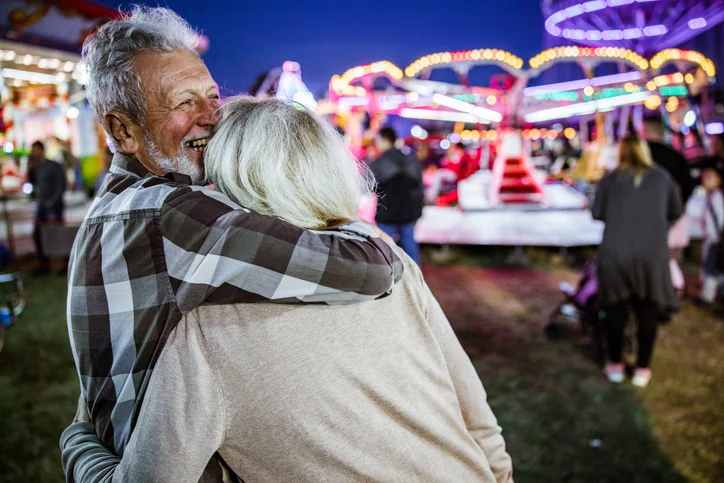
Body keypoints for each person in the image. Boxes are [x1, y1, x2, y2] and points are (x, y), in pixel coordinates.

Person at [62, 96, 514, 483]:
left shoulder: (205, 332)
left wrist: (78, 436)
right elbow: (477, 414)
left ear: (224, 187)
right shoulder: (387, 258)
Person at [63, 5, 403, 462]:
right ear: (123, 130)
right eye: (184, 103)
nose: (212, 117)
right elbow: (370, 268)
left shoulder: (118, 205)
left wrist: (80, 440)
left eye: (211, 96)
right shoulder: (171, 216)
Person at [593, 133, 682, 388]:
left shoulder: (610, 180)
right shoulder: (662, 178)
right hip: (651, 254)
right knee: (648, 312)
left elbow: (597, 212)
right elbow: (675, 211)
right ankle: (642, 368)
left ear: (621, 152)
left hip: (615, 253)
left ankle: (615, 365)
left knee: (615, 311)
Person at [370, 127, 424, 265]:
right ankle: (414, 280)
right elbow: (419, 187)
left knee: (384, 250)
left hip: (387, 214)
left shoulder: (379, 163)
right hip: (409, 213)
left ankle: (386, 280)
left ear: (384, 140)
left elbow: (367, 186)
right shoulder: (412, 160)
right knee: (410, 248)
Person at [28, 140, 66, 273]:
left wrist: (53, 200)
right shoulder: (36, 168)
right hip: (42, 204)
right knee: (38, 233)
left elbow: (61, 184)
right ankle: (44, 264)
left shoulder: (53, 166)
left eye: (35, 150)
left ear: (42, 150)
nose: (33, 153)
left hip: (54, 205)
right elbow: (32, 184)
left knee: (57, 233)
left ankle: (64, 264)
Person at [699, 166, 724, 304]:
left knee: (711, 266)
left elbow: (720, 218)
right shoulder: (712, 196)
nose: (705, 180)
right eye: (704, 177)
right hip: (712, 236)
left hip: (714, 237)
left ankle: (707, 296)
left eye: (709, 177)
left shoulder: (716, 197)